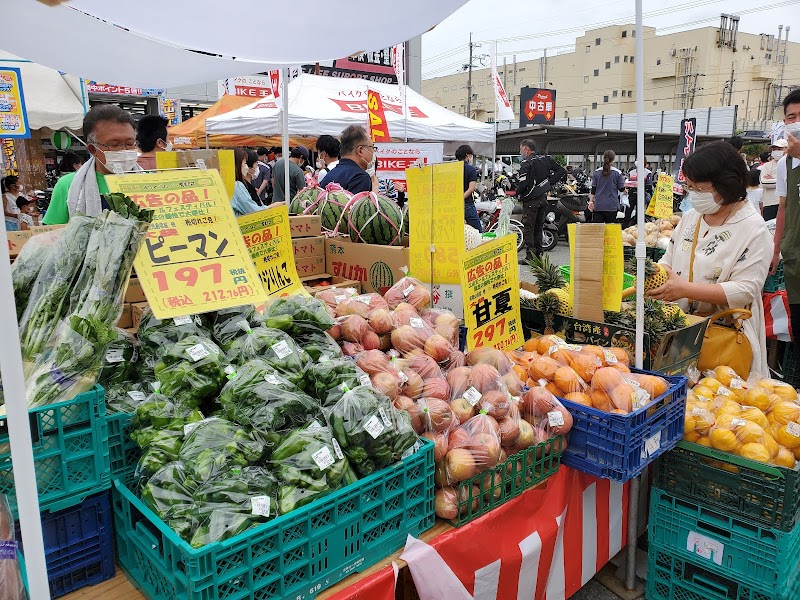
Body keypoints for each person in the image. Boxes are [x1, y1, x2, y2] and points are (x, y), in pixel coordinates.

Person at [649, 140, 771, 375]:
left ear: (726, 185)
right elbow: (670, 257)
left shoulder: (753, 229)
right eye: (690, 187)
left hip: (724, 337)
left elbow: (746, 289)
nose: (693, 194)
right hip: (681, 330)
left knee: (717, 396)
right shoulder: (692, 217)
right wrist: (657, 276)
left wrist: (685, 289)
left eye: (699, 189)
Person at [43, 105, 140, 225]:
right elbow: (51, 233)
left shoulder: (150, 181)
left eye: (130, 143)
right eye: (115, 145)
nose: (124, 150)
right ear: (93, 149)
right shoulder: (68, 184)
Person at [773, 89, 800, 365]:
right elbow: (784, 207)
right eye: (791, 117)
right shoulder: (785, 164)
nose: (796, 122)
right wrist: (776, 248)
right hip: (796, 260)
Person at [517, 139, 566, 262]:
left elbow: (522, 184)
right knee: (538, 228)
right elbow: (561, 171)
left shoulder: (526, 163)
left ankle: (530, 257)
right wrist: (548, 184)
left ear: (526, 149)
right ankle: (538, 255)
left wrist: (515, 193)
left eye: (521, 149)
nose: (520, 152)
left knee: (529, 228)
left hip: (530, 201)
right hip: (543, 199)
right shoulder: (546, 159)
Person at [319, 125, 374, 194]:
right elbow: (358, 204)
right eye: (372, 147)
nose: (373, 152)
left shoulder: (329, 175)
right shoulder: (360, 177)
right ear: (360, 150)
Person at [589, 150, 625, 223]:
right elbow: (621, 189)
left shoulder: (597, 172)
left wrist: (590, 201)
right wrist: (625, 188)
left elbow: (593, 189)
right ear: (614, 160)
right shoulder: (618, 173)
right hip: (611, 206)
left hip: (598, 205)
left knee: (598, 230)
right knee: (609, 230)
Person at [456, 145, 482, 232]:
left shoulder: (452, 169)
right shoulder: (471, 169)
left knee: (456, 232)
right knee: (477, 231)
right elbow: (471, 189)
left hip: (452, 205)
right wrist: (460, 199)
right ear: (467, 155)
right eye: (470, 155)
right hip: (467, 204)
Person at [759, 139, 787, 220]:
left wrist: (773, 179)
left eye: (779, 149)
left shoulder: (791, 164)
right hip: (769, 203)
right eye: (774, 149)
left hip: (785, 202)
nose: (776, 151)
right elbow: (764, 182)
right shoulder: (766, 166)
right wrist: (783, 180)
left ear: (787, 148)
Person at [231, 148, 263, 217]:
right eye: (245, 163)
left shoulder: (228, 184)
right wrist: (272, 206)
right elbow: (254, 211)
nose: (246, 167)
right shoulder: (237, 186)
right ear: (238, 165)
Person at [623, 159, 653, 228]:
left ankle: (638, 230)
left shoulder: (647, 172)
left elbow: (649, 185)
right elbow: (627, 182)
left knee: (639, 215)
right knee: (627, 213)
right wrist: (626, 187)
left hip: (641, 195)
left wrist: (640, 185)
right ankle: (624, 229)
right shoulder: (631, 172)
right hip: (631, 194)